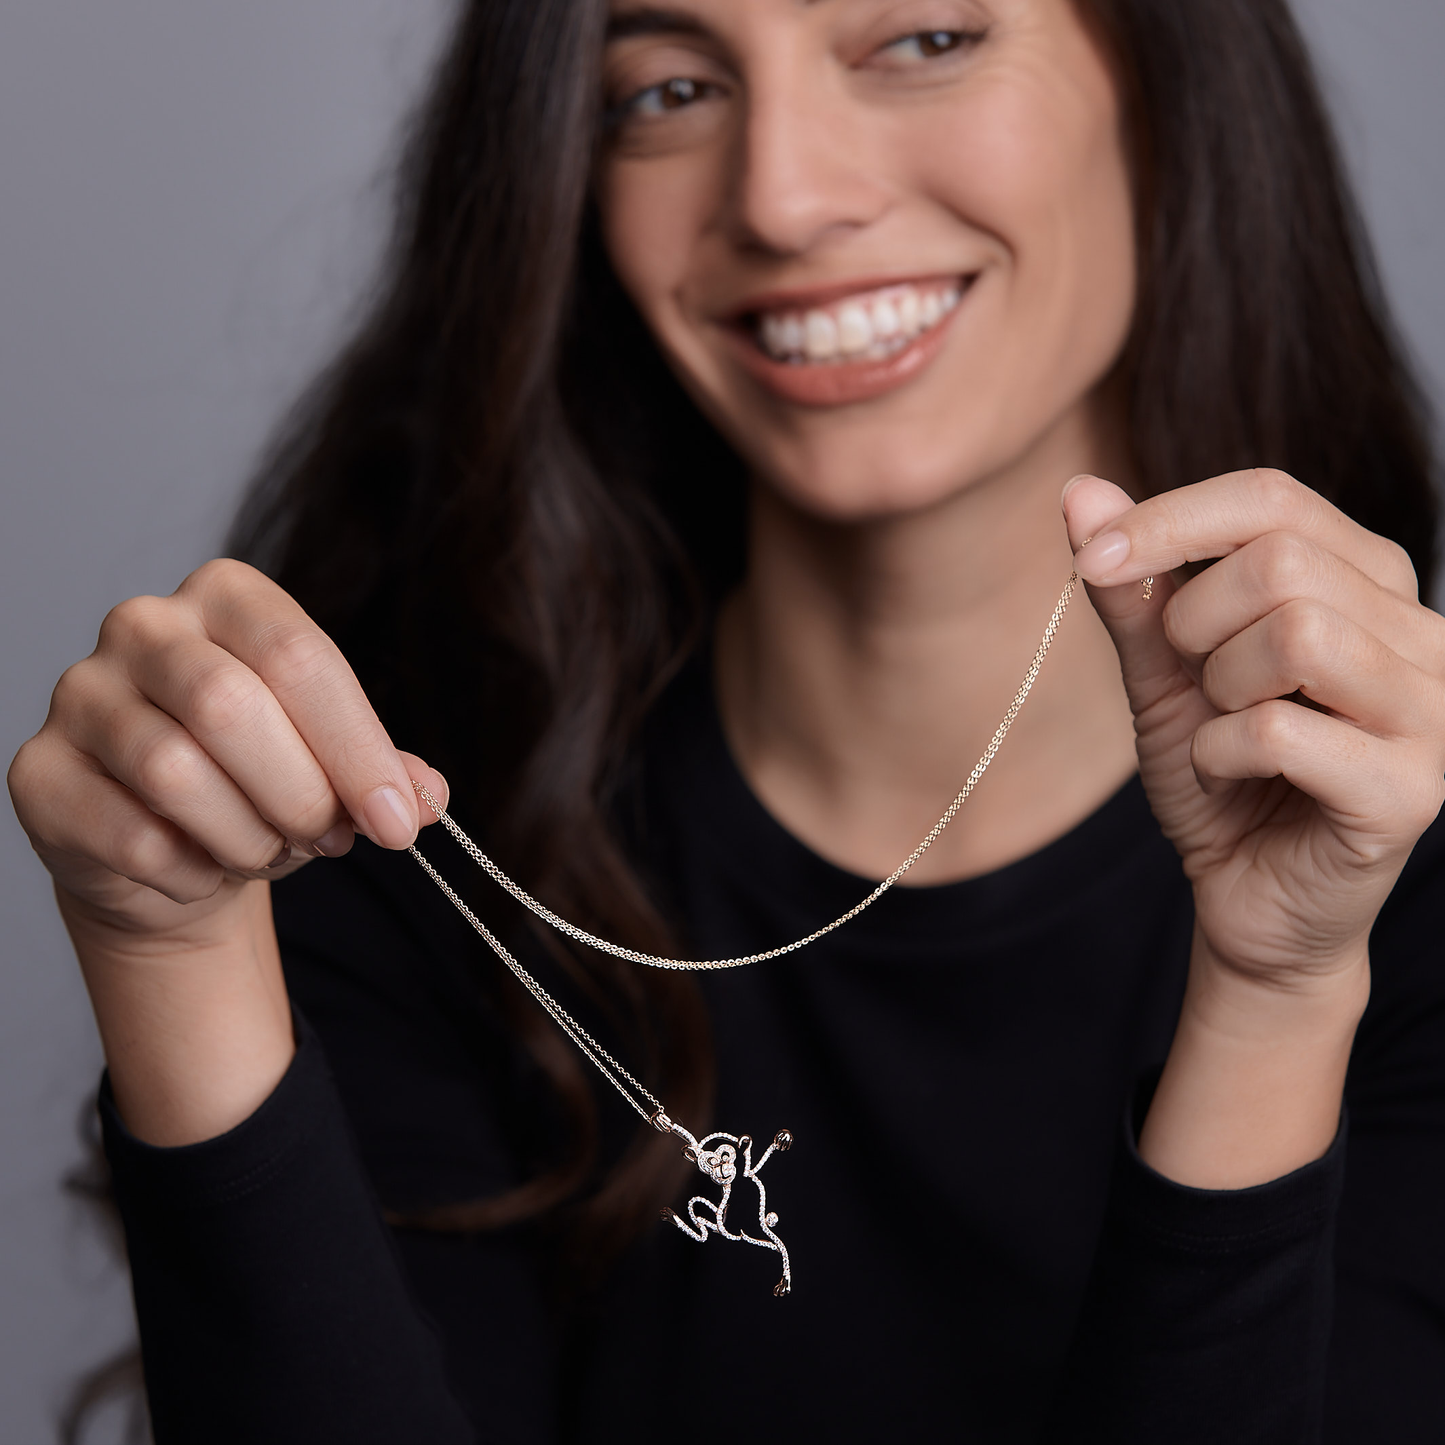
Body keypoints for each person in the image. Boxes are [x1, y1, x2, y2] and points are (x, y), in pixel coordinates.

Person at [10, 0, 1445, 1439]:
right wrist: (172, 951)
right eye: (672, 87)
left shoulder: (1392, 850)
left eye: (926, 40)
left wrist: (1275, 999)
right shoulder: (397, 825)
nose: (783, 197)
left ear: (1169, 83)